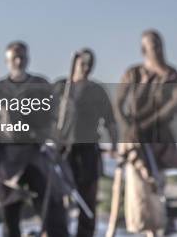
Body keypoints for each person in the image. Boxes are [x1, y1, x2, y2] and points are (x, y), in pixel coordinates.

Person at [0, 41, 68, 237]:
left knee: (52, 211)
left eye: (22, 56)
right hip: (9, 161)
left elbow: (54, 118)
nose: (19, 61)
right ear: (7, 60)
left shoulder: (41, 85)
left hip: (37, 155)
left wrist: (55, 140)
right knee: (10, 218)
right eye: (14, 57)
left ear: (28, 58)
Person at [115, 30, 177, 236]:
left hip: (158, 141)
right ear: (144, 49)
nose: (157, 50)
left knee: (156, 186)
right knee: (138, 190)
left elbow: (171, 107)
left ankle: (159, 228)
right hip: (134, 141)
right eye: (153, 46)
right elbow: (117, 104)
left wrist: (144, 127)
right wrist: (128, 128)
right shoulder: (132, 74)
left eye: (159, 45)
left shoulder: (171, 75)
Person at [53, 48, 117, 237]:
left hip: (88, 151)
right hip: (63, 151)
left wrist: (114, 145)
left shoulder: (97, 91)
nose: (87, 68)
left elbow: (110, 122)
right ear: (75, 64)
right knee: (60, 197)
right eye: (83, 63)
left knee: (87, 198)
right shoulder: (60, 88)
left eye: (90, 64)